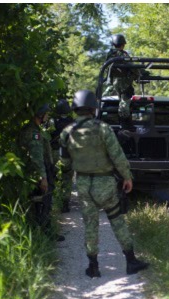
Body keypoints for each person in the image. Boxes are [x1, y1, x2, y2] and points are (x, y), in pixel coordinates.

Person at [60, 89, 149, 279]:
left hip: (83, 183)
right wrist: (127, 177)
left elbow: (65, 163)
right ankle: (131, 261)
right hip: (105, 183)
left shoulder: (67, 133)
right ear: (93, 108)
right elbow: (117, 155)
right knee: (117, 220)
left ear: (76, 109)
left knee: (90, 225)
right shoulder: (103, 129)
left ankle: (93, 267)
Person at [17, 103, 64, 242]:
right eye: (46, 114)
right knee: (45, 202)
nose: (48, 116)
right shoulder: (34, 133)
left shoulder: (32, 129)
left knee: (39, 202)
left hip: (36, 172)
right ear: (40, 116)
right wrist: (43, 177)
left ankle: (40, 231)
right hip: (39, 172)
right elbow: (37, 157)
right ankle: (46, 234)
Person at [106, 34, 139, 129]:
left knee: (120, 101)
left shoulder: (110, 54)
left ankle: (123, 122)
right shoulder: (123, 54)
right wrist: (138, 73)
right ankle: (125, 124)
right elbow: (132, 67)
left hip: (113, 83)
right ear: (123, 44)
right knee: (125, 102)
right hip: (124, 82)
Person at [50, 98, 75, 214]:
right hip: (68, 154)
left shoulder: (52, 122)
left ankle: (55, 202)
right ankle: (65, 203)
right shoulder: (73, 123)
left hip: (55, 154)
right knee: (67, 179)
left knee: (55, 178)